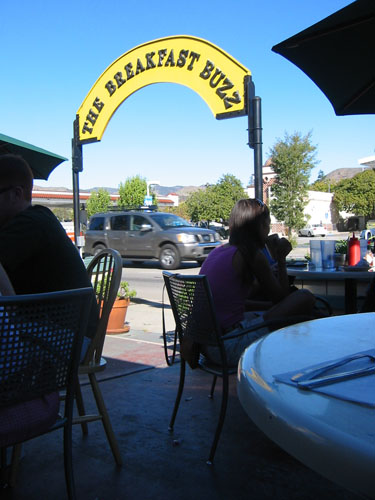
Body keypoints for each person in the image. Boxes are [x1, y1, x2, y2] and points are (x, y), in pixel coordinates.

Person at [200, 198, 316, 366]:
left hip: (208, 345)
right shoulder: (250, 253)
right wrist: (281, 258)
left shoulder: (220, 251)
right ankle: (298, 364)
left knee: (280, 310)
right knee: (305, 297)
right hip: (229, 346)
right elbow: (281, 297)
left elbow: (235, 303)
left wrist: (270, 307)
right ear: (260, 227)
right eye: (267, 225)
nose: (268, 231)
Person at [0, 154, 98, 337]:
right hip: (70, 335)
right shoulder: (39, 219)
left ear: (17, 194)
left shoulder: (29, 224)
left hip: (65, 341)